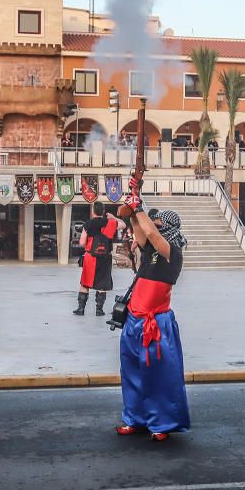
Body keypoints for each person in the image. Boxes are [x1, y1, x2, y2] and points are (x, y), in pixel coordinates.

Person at [115, 187, 190, 442]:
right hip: (134, 320)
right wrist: (133, 203)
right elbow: (140, 228)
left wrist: (139, 206)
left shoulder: (172, 253)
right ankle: (133, 418)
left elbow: (150, 232)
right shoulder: (150, 250)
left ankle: (161, 422)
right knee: (132, 372)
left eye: (159, 224)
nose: (154, 226)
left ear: (168, 228)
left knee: (158, 376)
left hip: (155, 323)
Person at [75, 201, 123, 316]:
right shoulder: (110, 223)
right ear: (103, 211)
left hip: (90, 257)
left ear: (93, 211)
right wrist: (113, 217)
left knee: (85, 283)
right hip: (105, 258)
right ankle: (99, 310)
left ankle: (81, 309)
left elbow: (82, 243)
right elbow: (123, 224)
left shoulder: (88, 224)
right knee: (102, 283)